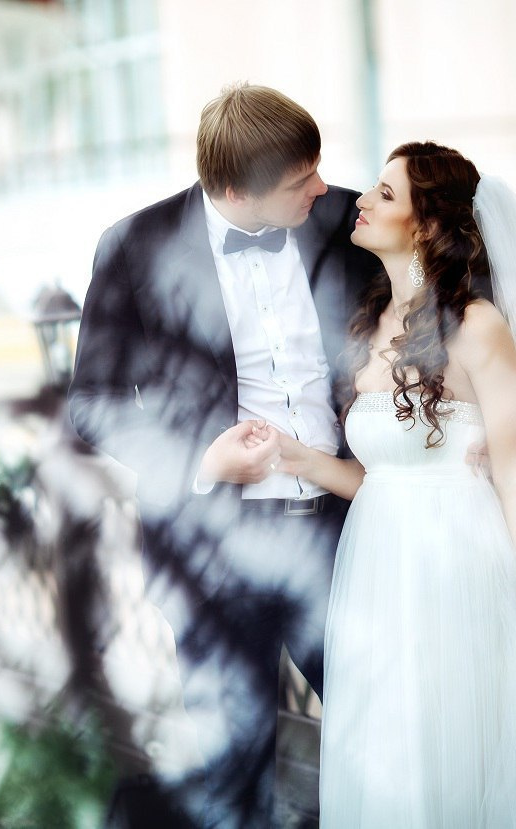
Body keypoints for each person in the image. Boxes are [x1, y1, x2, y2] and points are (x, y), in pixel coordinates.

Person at [67, 83, 381, 827]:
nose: (324, 186)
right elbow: (94, 400)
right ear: (235, 189)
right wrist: (198, 459)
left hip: (344, 532)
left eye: (318, 166)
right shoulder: (133, 245)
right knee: (234, 756)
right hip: (210, 546)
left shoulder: (347, 218)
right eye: (300, 179)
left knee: (382, 722)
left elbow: (447, 297)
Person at [260, 142, 516, 826]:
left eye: (385, 194)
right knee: (388, 753)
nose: (361, 200)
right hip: (376, 575)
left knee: (453, 751)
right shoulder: (372, 320)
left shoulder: (477, 326)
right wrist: (291, 455)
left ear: (428, 223)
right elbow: (381, 480)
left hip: (457, 574)